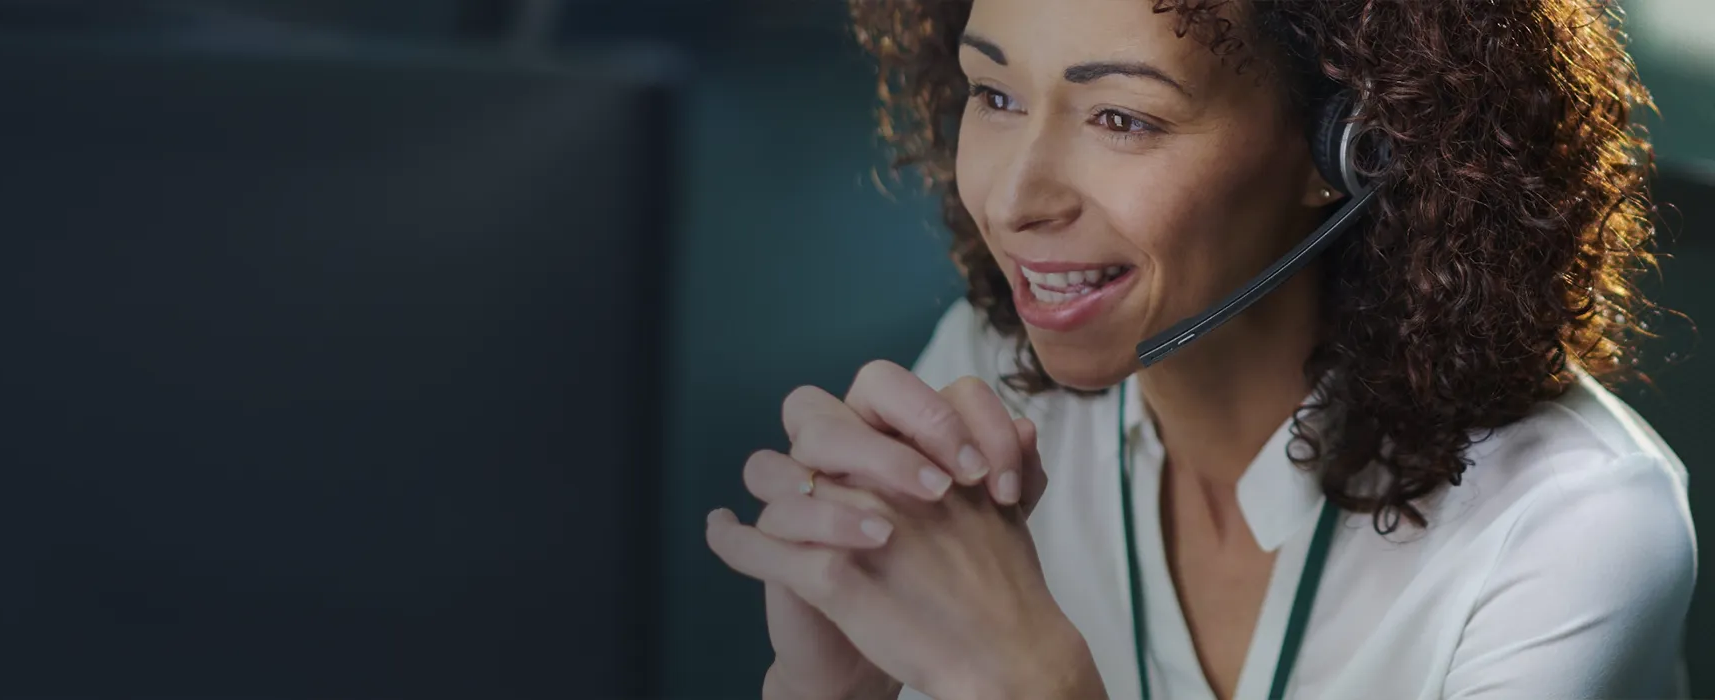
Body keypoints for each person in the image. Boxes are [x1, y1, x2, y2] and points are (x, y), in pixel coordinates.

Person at [702, 0, 1699, 699]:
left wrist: (1032, 685)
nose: (1012, 199)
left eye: (1122, 117)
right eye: (994, 95)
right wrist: (831, 692)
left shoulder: (1571, 526)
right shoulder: (984, 377)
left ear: (1356, 145)